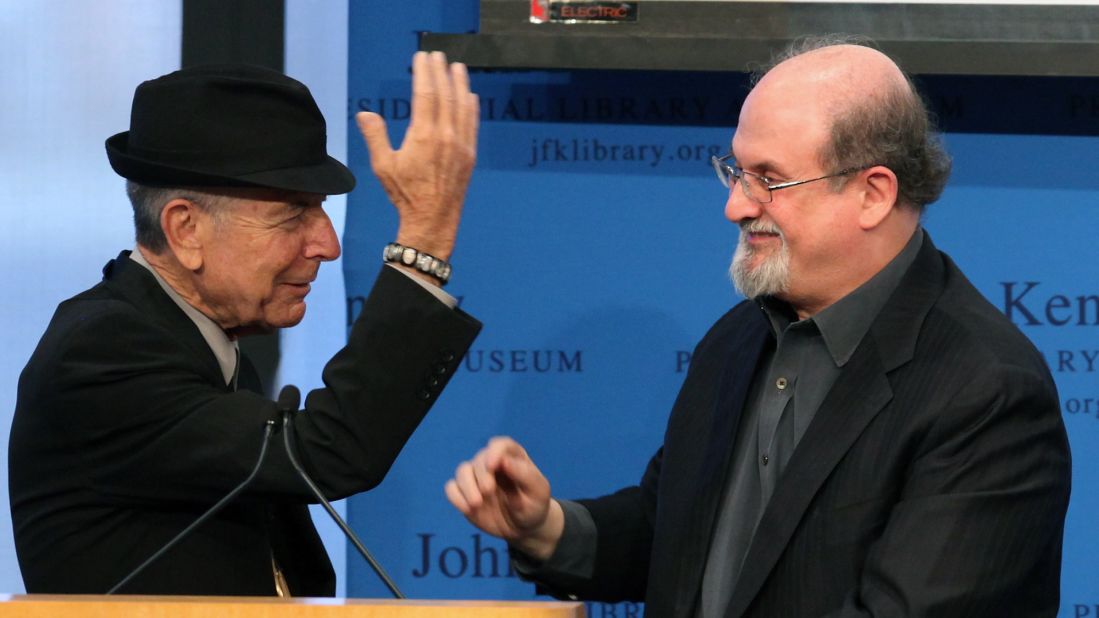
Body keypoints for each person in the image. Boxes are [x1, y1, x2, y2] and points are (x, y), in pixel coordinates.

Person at [446, 39, 1071, 617]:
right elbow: (681, 537)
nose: (736, 205)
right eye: (736, 171)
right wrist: (548, 528)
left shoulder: (984, 390)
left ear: (872, 194)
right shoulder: (737, 340)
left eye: (769, 180)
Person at [9, 51, 481, 596]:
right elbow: (328, 452)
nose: (327, 244)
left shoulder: (202, 347)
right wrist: (424, 239)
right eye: (293, 214)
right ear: (185, 229)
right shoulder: (103, 352)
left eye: (322, 209)